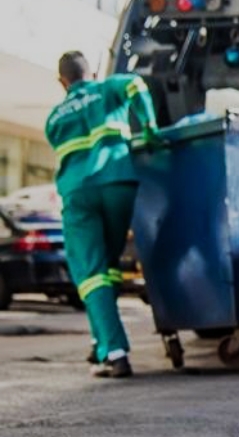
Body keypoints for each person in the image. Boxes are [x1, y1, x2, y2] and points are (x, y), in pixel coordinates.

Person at [44, 51, 159, 378]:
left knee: (90, 272)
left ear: (61, 81)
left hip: (80, 194)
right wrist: (149, 127)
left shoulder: (54, 118)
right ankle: (101, 343)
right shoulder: (108, 88)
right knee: (105, 269)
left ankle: (116, 352)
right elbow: (136, 84)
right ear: (91, 71)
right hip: (120, 184)